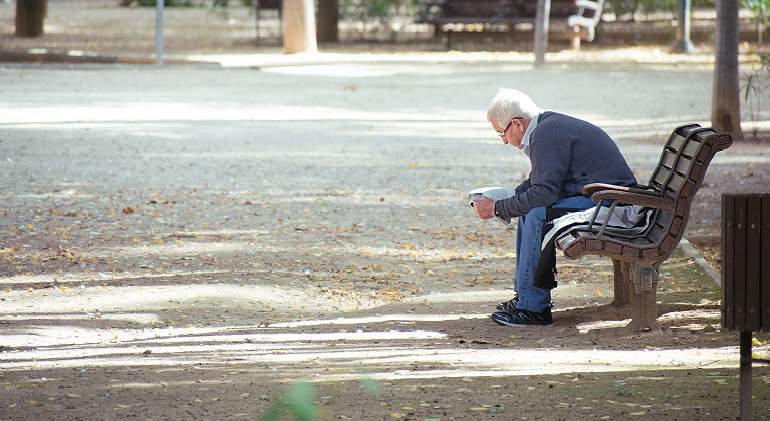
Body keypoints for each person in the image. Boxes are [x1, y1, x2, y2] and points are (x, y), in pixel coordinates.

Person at [473, 89, 637, 326]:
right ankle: (525, 297)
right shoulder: (547, 128)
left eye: (502, 133)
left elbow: (543, 194)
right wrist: (509, 198)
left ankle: (534, 308)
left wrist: (498, 208)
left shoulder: (545, 135)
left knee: (537, 212)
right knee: (532, 209)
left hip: (614, 206)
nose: (504, 141)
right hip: (605, 199)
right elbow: (542, 182)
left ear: (517, 124)